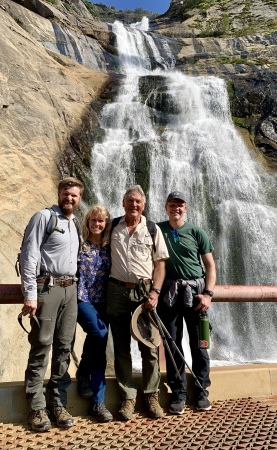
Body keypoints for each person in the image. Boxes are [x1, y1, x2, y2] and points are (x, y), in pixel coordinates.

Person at [20, 177, 84, 432]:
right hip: (47, 288)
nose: (70, 198)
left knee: (64, 348)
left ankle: (58, 403)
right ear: (59, 194)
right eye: (66, 193)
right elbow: (29, 254)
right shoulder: (43, 217)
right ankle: (36, 406)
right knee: (41, 346)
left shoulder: (75, 222)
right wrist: (30, 294)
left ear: (79, 199)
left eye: (74, 195)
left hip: (71, 290)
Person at [107, 185, 169, 421]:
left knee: (150, 346)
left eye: (138, 202)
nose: (134, 205)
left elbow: (160, 264)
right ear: (123, 203)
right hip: (116, 292)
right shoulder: (112, 226)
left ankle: (152, 395)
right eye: (130, 201)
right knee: (121, 348)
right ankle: (127, 398)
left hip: (145, 294)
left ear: (144, 205)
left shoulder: (152, 229)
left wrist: (155, 292)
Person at [157, 191, 216, 415]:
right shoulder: (158, 230)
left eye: (180, 205)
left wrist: (208, 293)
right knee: (172, 344)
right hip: (169, 294)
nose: (176, 208)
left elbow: (210, 265)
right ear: (166, 207)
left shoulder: (196, 232)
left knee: (200, 343)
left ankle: (201, 390)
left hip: (196, 293)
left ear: (186, 208)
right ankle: (179, 392)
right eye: (172, 204)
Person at [76, 205, 113, 422]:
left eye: (101, 221)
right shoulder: (79, 245)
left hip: (104, 301)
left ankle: (98, 403)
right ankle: (82, 371)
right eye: (93, 220)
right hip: (81, 298)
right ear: (87, 221)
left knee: (100, 350)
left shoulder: (110, 247)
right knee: (99, 333)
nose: (97, 224)